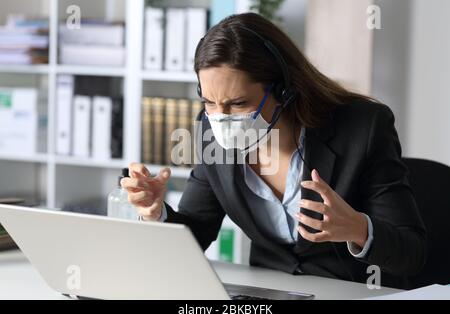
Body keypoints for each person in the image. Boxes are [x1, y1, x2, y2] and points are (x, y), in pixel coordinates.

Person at [121, 13, 426, 289]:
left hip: (354, 292)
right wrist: (156, 213)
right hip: (267, 296)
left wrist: (358, 228)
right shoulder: (209, 133)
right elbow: (196, 231)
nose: (221, 118)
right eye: (209, 102)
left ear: (284, 91)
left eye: (238, 103)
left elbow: (412, 254)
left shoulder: (363, 127)